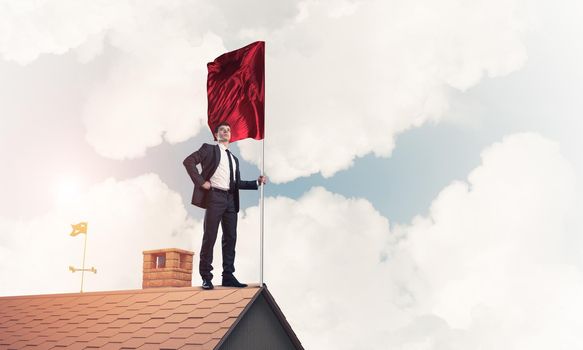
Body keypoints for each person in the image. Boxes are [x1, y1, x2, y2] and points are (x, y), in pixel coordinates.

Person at [183, 122, 267, 289]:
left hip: (230, 200)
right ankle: (206, 277)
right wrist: (201, 182)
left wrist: (256, 183)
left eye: (228, 130)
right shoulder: (209, 149)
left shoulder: (234, 159)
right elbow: (188, 161)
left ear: (231, 135)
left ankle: (228, 276)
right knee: (210, 237)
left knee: (230, 238)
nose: (226, 132)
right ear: (216, 134)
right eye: (222, 130)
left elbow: (236, 183)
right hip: (214, 196)